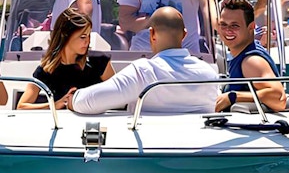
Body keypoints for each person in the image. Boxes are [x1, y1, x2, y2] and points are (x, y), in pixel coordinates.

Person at [68, 7, 219, 115]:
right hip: (198, 152)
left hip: (151, 152)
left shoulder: (143, 71)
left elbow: (87, 102)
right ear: (184, 35)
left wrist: (72, 99)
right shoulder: (209, 74)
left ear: (152, 33)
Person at [17, 9, 115, 110]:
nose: (88, 41)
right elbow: (21, 106)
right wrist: (55, 105)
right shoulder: (47, 69)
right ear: (65, 36)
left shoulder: (100, 62)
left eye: (89, 35)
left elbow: (119, 96)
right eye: (82, 37)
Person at [215, 0, 286, 112]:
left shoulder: (251, 61)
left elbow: (279, 98)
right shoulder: (246, 52)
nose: (228, 30)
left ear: (251, 27)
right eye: (223, 24)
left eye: (235, 26)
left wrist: (233, 97)